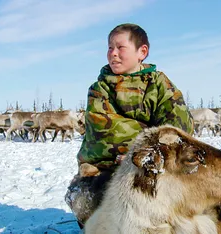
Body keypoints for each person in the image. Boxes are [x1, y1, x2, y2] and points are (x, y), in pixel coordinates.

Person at [64, 23, 194, 227]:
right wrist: (141, 151)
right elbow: (107, 132)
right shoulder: (99, 89)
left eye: (120, 48)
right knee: (93, 200)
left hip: (156, 168)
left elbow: (178, 127)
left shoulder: (159, 84)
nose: (113, 53)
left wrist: (151, 154)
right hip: (106, 171)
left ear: (142, 52)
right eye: (109, 48)